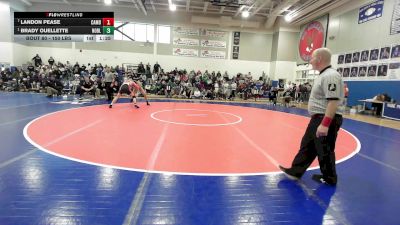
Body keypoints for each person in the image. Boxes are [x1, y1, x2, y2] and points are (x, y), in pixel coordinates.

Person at [279, 48, 344, 185]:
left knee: (324, 149)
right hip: (318, 118)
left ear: (319, 59)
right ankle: (295, 171)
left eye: (312, 58)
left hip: (325, 118)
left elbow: (333, 101)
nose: (310, 61)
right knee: (308, 145)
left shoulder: (331, 75)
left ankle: (330, 178)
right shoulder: (323, 75)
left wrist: (325, 124)